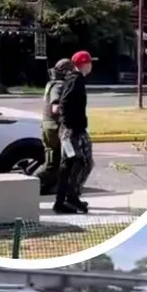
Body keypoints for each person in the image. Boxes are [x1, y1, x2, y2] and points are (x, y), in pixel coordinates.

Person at [55, 50, 94, 214]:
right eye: (90, 62)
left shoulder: (76, 80)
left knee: (73, 163)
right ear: (84, 63)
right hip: (72, 130)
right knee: (78, 162)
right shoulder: (75, 81)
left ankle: (68, 198)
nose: (91, 65)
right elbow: (63, 104)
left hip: (73, 129)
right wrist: (69, 127)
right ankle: (68, 198)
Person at [37, 58, 76, 190]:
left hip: (49, 126)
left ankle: (49, 186)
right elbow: (55, 108)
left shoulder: (51, 83)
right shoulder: (59, 85)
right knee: (52, 164)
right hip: (54, 128)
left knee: (56, 161)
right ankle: (28, 183)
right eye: (71, 71)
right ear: (65, 72)